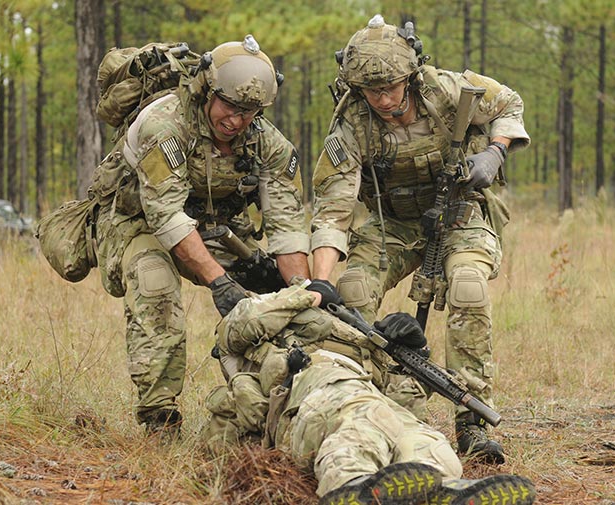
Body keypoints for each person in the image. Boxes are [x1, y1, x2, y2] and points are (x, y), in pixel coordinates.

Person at [309, 15, 530, 463]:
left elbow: (509, 102)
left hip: (460, 211)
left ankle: (471, 422)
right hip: (392, 222)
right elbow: (333, 210)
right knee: (350, 292)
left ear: (409, 77)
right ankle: (363, 407)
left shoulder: (446, 90)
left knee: (468, 286)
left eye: (392, 87)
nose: (385, 99)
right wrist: (319, 283)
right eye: (372, 92)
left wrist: (495, 150)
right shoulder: (350, 126)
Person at [86, 35, 310, 434]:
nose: (236, 120)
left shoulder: (269, 144)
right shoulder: (166, 125)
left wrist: (302, 291)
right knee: (156, 282)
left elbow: (288, 230)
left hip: (214, 228)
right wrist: (221, 283)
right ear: (207, 91)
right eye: (229, 106)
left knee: (273, 301)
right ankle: (159, 415)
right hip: (137, 221)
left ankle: (269, 405)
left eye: (249, 111)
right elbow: (167, 216)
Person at [202, 285, 536, 505]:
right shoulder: (265, 317)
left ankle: (446, 492)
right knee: (365, 417)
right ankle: (350, 486)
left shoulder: (352, 331)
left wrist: (415, 348)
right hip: (307, 388)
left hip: (364, 396)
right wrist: (308, 294)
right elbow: (237, 326)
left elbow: (405, 401)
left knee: (432, 447)